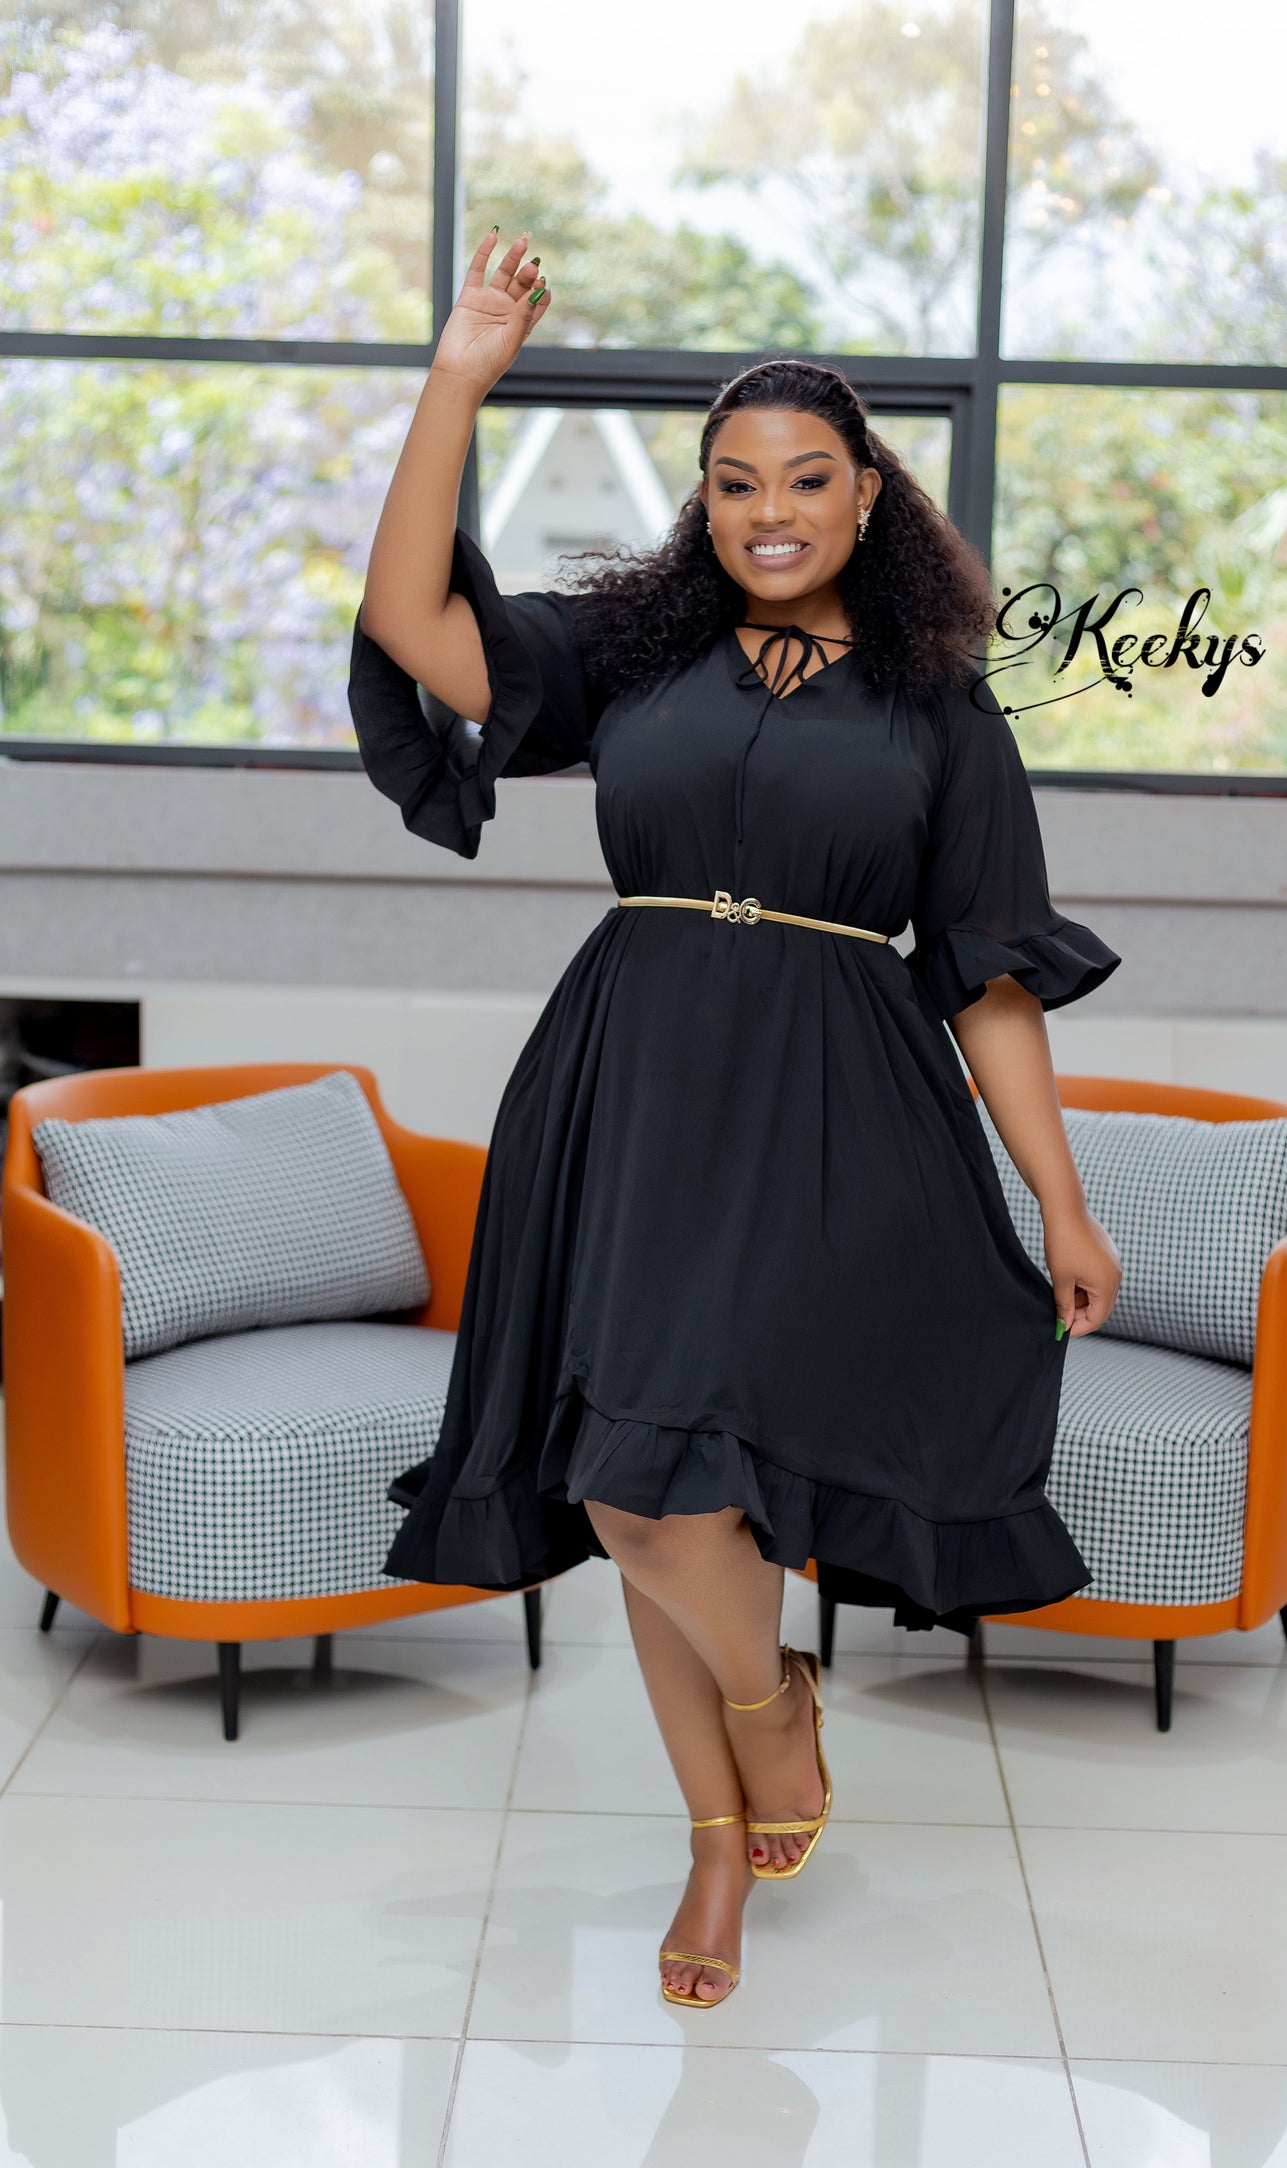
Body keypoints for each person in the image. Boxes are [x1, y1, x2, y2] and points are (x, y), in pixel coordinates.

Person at [351, 228, 1124, 2011]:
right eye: (733, 482)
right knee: (629, 1479)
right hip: (627, 1090)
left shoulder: (941, 712)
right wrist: (458, 380)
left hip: (836, 1116)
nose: (769, 510)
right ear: (700, 503)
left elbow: (988, 976)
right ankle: (732, 1808)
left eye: (805, 478)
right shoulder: (629, 658)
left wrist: (1060, 1201)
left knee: (683, 1482)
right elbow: (409, 623)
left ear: (869, 495)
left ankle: (763, 1736)